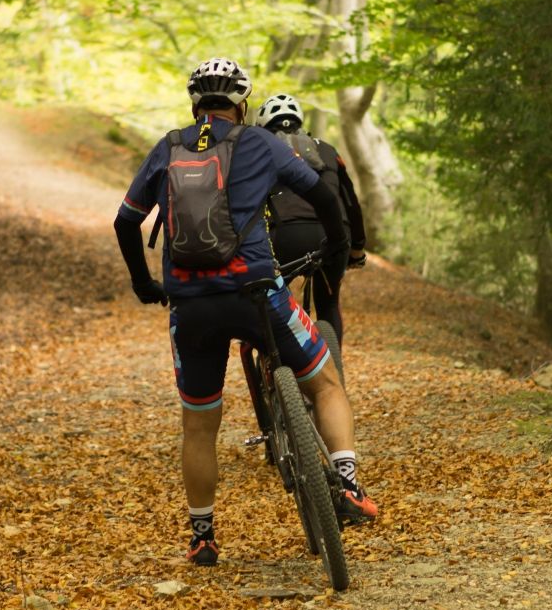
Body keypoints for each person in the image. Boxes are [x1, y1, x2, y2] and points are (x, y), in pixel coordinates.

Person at [113, 58, 378, 568]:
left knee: (199, 424)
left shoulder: (169, 146)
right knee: (324, 382)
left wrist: (144, 283)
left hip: (191, 306)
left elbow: (126, 222)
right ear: (242, 103)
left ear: (195, 105)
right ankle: (346, 483)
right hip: (258, 294)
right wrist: (341, 246)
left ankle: (203, 536)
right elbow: (323, 195)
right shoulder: (261, 143)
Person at [254, 93, 367, 347]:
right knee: (328, 305)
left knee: (275, 299)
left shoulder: (258, 152)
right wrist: (357, 248)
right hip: (335, 232)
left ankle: (282, 370)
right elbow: (350, 203)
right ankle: (333, 379)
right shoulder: (327, 150)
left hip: (285, 235)